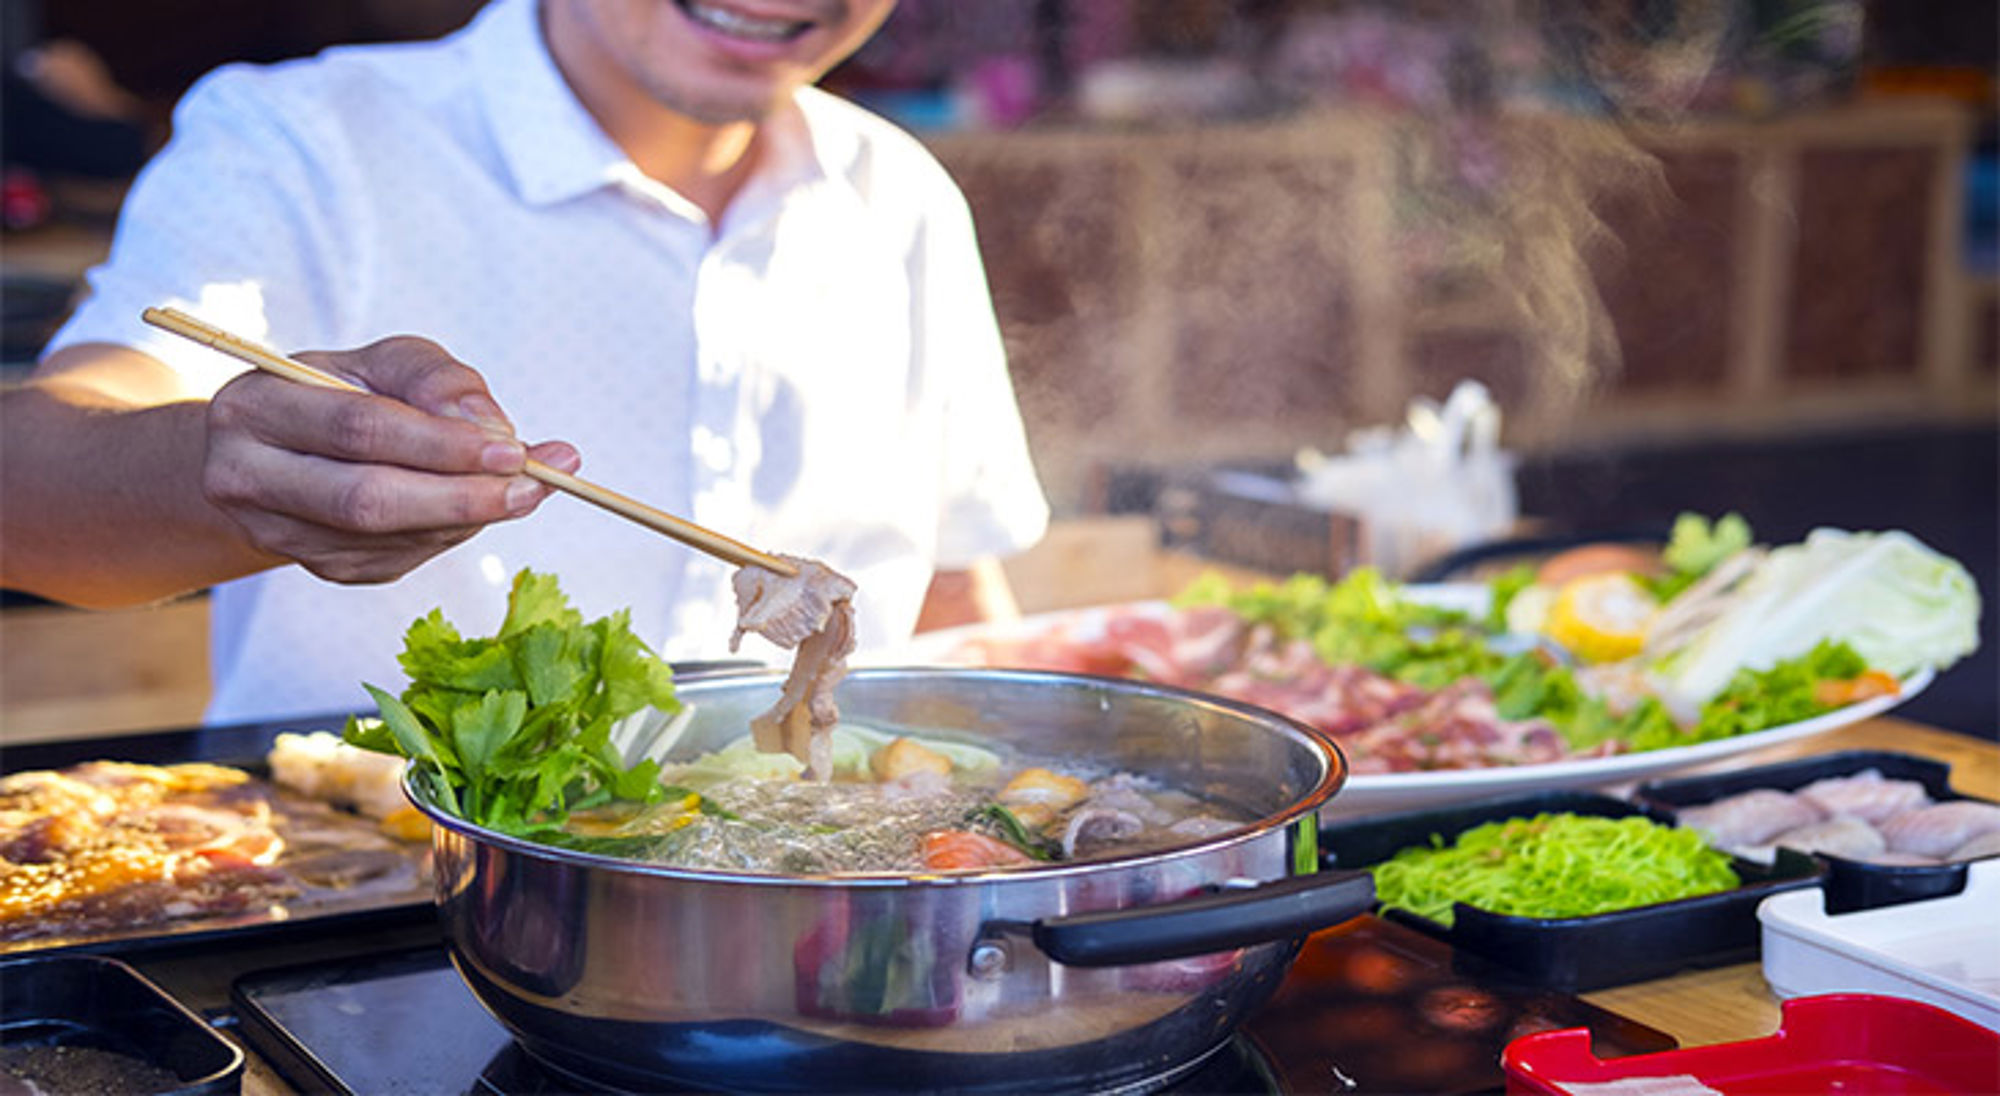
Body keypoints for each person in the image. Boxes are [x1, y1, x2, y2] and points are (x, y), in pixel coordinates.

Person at [0, 0, 1051, 724]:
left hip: (789, 904)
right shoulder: (301, 138)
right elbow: (29, 490)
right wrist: (221, 468)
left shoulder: (898, 196)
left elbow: (953, 587)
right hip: (363, 905)